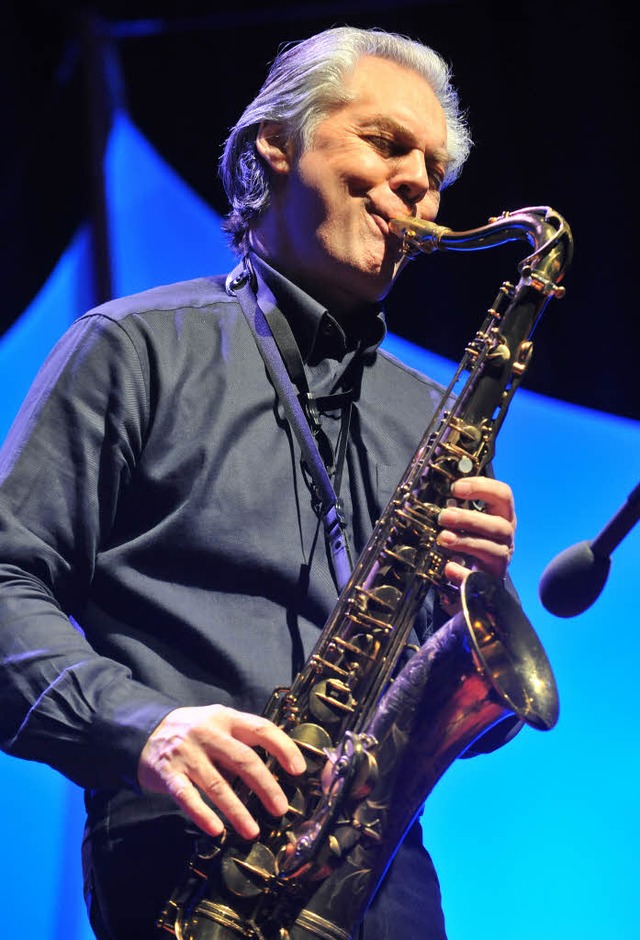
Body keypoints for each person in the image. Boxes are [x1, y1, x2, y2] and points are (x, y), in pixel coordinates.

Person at [0, 25, 523, 940]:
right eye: (386, 143)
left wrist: (471, 598)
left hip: (383, 879)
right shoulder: (133, 348)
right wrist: (142, 730)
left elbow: (475, 719)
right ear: (271, 147)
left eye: (433, 168)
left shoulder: (432, 418)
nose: (415, 182)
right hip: (189, 850)